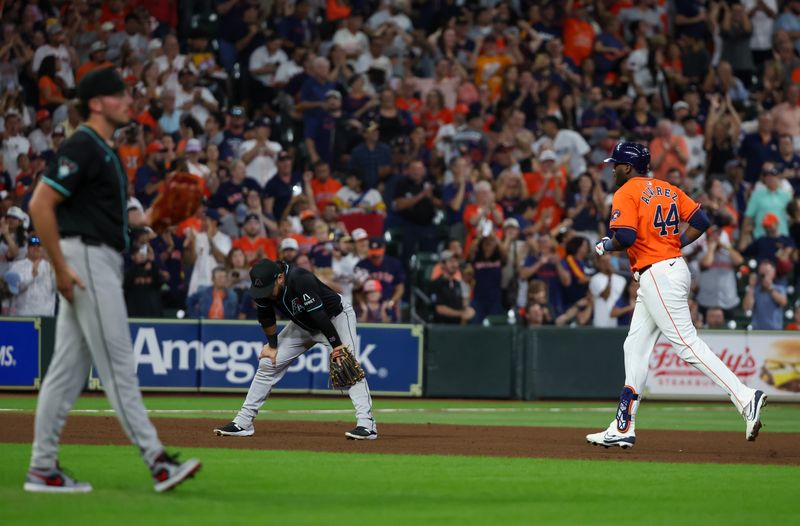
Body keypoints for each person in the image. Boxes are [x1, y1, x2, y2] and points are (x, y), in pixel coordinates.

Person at [25, 67, 200, 493]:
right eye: (119, 96)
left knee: (65, 373)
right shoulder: (84, 145)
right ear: (97, 103)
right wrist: (62, 269)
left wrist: (153, 223)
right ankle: (157, 462)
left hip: (97, 255)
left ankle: (42, 469)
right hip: (85, 259)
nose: (128, 101)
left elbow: (106, 221)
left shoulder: (104, 149)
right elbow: (39, 204)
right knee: (120, 366)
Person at [587, 142, 766, 449]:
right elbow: (702, 221)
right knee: (635, 347)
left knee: (685, 344)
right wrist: (674, 245)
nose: (612, 168)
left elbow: (626, 236)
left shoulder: (626, 192)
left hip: (657, 273)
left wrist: (606, 245)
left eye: (616, 164)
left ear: (628, 168)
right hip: (668, 269)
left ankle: (745, 396)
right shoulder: (667, 189)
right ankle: (622, 426)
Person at [213, 258, 377, 439]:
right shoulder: (262, 287)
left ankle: (367, 424)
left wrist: (337, 346)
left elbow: (319, 316)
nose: (265, 293)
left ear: (280, 278)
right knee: (268, 363)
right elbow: (266, 317)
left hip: (334, 318)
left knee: (347, 365)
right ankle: (243, 422)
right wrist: (273, 346)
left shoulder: (300, 279)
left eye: (268, 289)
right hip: (302, 324)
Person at [6, 235, 56, 316]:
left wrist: (55, 268)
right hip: (23, 315)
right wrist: (32, 275)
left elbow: (57, 287)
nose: (36, 248)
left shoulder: (49, 266)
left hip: (46, 315)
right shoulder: (17, 266)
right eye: (32, 245)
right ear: (28, 248)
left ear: (43, 248)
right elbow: (15, 288)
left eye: (39, 245)